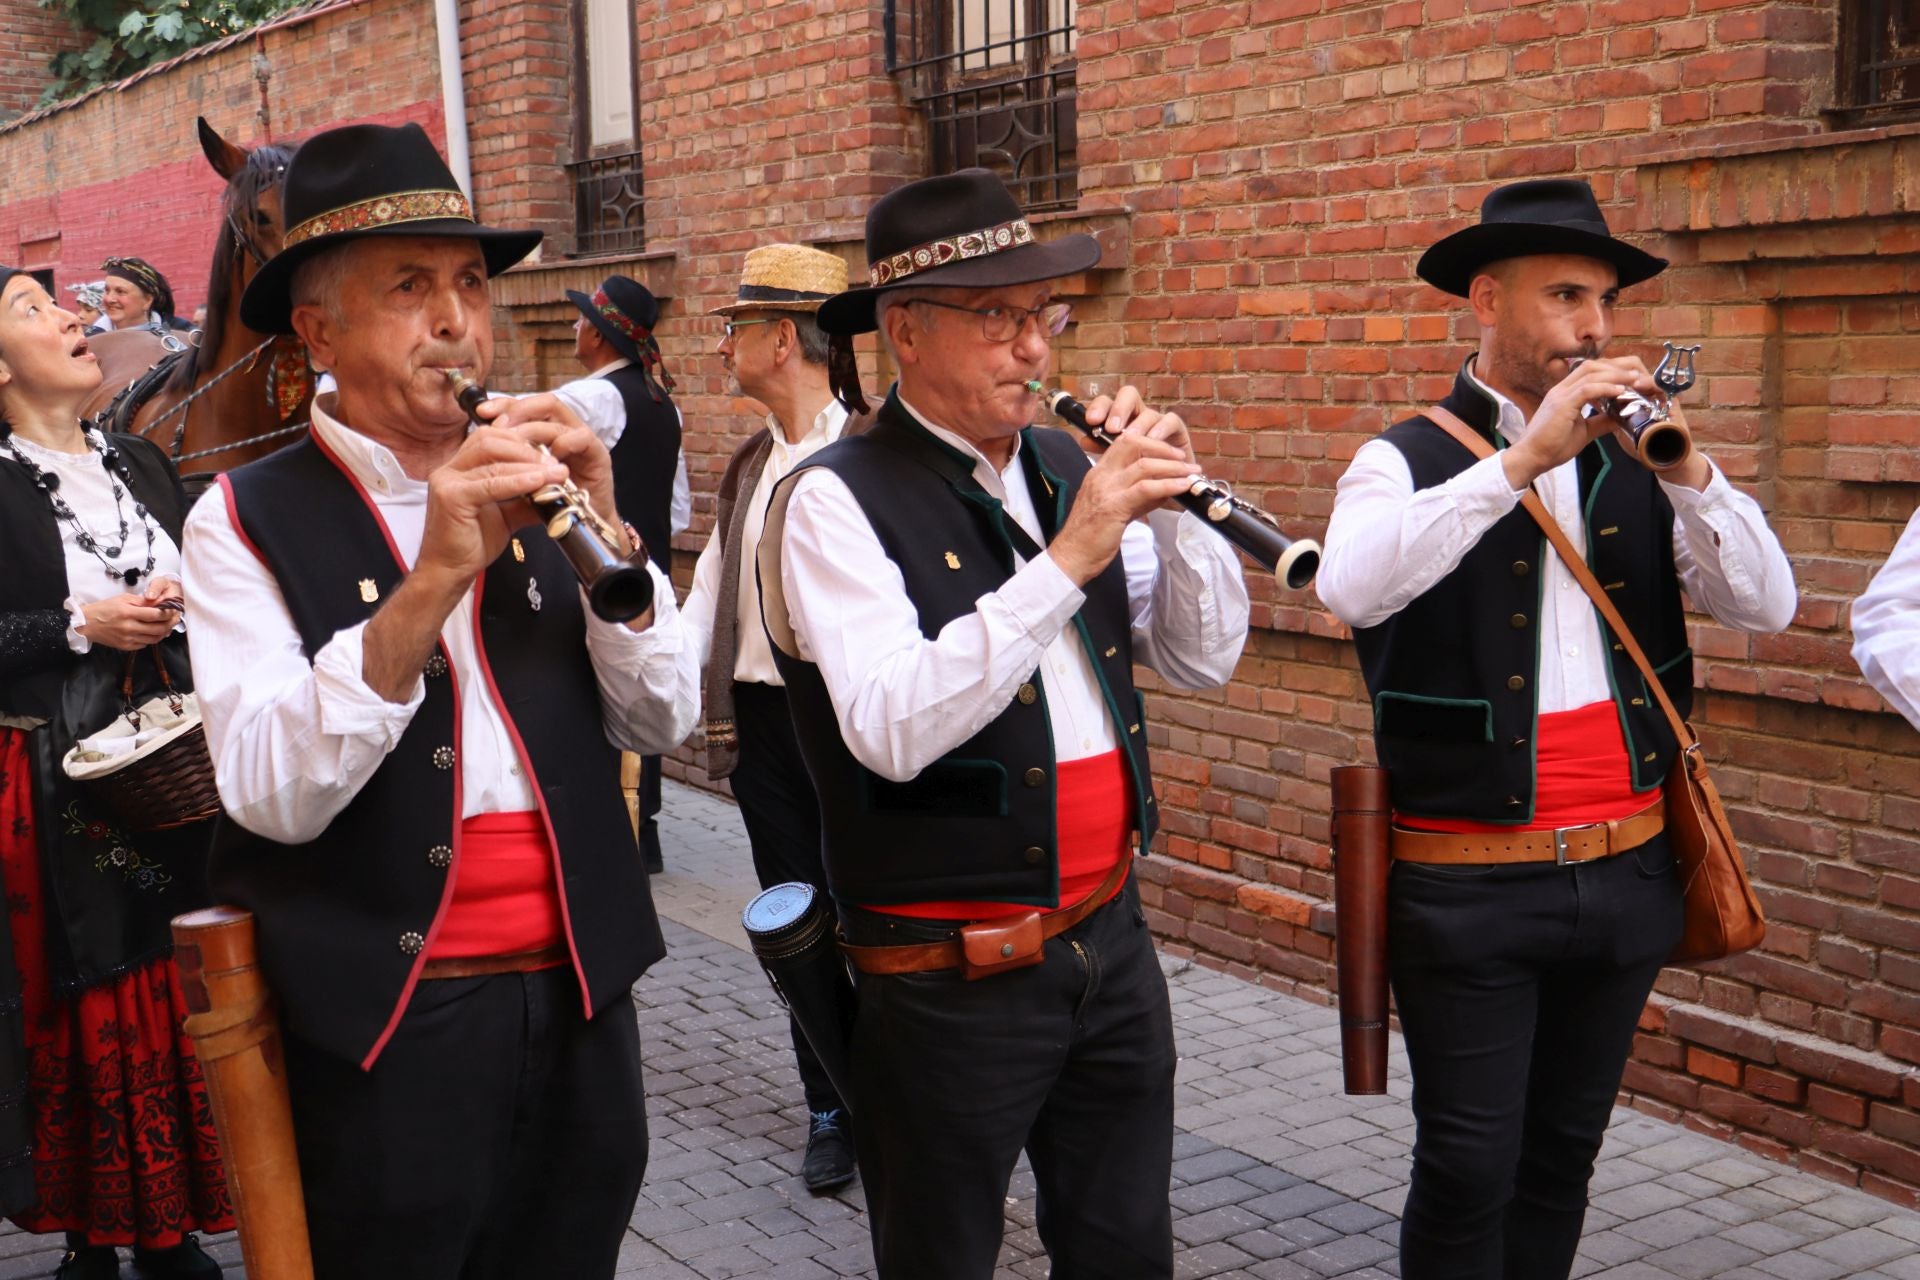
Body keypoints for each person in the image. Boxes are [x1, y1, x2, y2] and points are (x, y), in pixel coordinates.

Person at [181, 122, 699, 1277]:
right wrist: (433, 577)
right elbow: (270, 790)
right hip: (390, 1021)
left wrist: (608, 530)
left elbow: (664, 721)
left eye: (469, 282)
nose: (458, 320)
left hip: (581, 992)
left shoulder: (542, 475)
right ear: (317, 329)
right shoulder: (241, 517)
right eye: (410, 287)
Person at [757, 168, 1251, 1278]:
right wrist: (1076, 546)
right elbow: (889, 722)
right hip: (944, 979)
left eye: (1043, 316)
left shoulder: (1065, 461)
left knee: (1126, 1248)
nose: (1034, 350)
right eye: (997, 319)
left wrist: (1182, 514)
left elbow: (1202, 655)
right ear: (905, 336)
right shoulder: (833, 497)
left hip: (1108, 939)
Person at [1315, 178, 1797, 1280]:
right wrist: (1521, 460)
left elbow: (1769, 605)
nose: (1596, 327)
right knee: (1467, 1162)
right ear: (1487, 299)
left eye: (1608, 303)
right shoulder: (1405, 458)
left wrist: (1691, 476)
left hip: (1630, 876)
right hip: (1469, 886)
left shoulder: (1638, 465)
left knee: (1563, 1157)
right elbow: (1351, 586)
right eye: (1568, 296)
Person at [0, 267, 232, 1278]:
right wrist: (76, 623)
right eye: (27, 307)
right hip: (55, 787)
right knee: (95, 990)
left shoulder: (139, 460)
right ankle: (98, 1237)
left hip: (169, 767)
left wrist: (184, 598)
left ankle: (171, 1224)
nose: (67, 312)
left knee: (173, 973)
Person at [681, 243, 872, 1192]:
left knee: (872, 916)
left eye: (736, 326)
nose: (722, 345)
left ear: (785, 338)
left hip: (854, 732)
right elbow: (703, 606)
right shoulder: (751, 462)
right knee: (796, 924)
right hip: (763, 728)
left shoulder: (875, 458)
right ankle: (832, 1102)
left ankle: (903, 1099)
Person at [562, 273, 690, 875]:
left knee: (600, 695)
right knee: (645, 688)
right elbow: (681, 508)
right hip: (650, 572)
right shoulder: (666, 405)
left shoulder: (591, 400)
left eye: (582, 318)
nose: (573, 326)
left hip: (598, 573)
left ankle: (614, 835)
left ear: (596, 333)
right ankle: (649, 833)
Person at [99, 259, 188, 333]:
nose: (109, 299)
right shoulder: (91, 339)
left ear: (147, 300)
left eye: (120, 291)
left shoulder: (181, 335)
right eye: (107, 290)